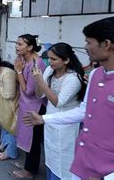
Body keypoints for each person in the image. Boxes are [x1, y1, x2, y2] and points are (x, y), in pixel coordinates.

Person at [24, 17, 114, 180]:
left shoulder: (74, 77)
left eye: (89, 42)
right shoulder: (96, 74)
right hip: (83, 161)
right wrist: (43, 119)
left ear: (106, 44)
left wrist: (110, 177)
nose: (85, 47)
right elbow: (84, 111)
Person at [31, 42, 86, 179]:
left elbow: (58, 102)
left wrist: (41, 82)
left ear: (66, 60)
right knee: (51, 156)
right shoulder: (50, 71)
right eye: (49, 58)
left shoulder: (73, 78)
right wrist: (38, 81)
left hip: (66, 125)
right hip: (49, 120)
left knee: (64, 160)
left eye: (54, 59)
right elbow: (40, 94)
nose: (49, 62)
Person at [10, 34, 46, 179]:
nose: (16, 47)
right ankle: (29, 165)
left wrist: (18, 70)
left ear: (30, 47)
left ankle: (29, 171)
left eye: (20, 44)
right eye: (16, 44)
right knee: (27, 135)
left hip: (35, 107)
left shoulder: (36, 64)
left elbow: (29, 91)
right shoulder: (25, 60)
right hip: (27, 105)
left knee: (32, 139)